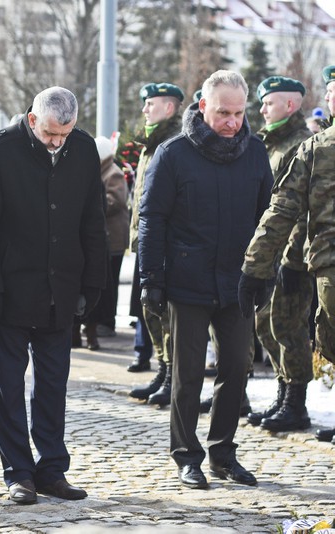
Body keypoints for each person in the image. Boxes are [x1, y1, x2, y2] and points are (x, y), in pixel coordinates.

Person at [0, 87, 106, 504]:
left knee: (53, 386)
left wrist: (93, 285)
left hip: (61, 290)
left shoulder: (83, 149)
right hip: (8, 293)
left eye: (65, 134)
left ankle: (52, 469)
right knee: (8, 388)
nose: (57, 142)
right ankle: (18, 473)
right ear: (32, 119)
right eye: (49, 133)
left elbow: (93, 220)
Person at [139, 70, 273, 489]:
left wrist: (264, 271)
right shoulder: (173, 153)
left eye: (238, 113)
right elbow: (151, 218)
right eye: (222, 113)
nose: (232, 122)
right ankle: (186, 456)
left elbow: (267, 218)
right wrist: (151, 277)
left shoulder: (255, 152)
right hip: (187, 281)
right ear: (203, 107)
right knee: (188, 373)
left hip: (237, 282)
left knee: (236, 367)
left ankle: (223, 453)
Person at [240, 65, 335, 444]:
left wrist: (265, 264)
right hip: (316, 259)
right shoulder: (314, 146)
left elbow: (286, 212)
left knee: (300, 329)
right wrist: (257, 264)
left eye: (333, 92)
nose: (327, 97)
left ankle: (294, 400)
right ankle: (288, 397)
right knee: (307, 332)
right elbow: (280, 208)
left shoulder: (310, 145)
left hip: (313, 258)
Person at [245, 76, 314, 432]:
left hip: (291, 254)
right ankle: (283, 392)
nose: (262, 110)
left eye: (268, 103)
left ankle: (296, 403)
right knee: (267, 324)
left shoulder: (301, 143)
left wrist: (293, 257)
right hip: (271, 251)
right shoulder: (271, 143)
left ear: (290, 105)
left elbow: (301, 209)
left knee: (288, 326)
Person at [128, 83, 184, 408]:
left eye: (150, 104)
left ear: (169, 108)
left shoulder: (173, 142)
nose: (145, 110)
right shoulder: (151, 144)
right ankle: (163, 370)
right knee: (150, 311)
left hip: (163, 242)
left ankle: (172, 375)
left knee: (164, 314)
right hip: (145, 240)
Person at [77, 136, 128, 350]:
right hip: (107, 236)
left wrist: (91, 206)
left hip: (113, 239)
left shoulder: (112, 173)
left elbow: (115, 201)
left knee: (108, 284)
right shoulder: (101, 171)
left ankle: (106, 323)